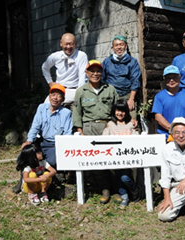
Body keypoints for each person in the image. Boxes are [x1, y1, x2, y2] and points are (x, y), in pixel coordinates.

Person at [73, 59, 121, 204]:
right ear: (87, 73)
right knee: (96, 161)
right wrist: (80, 131)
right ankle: (104, 189)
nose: (95, 74)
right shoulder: (81, 91)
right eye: (92, 71)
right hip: (89, 128)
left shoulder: (110, 89)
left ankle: (116, 190)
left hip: (107, 127)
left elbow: (118, 109)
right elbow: (77, 112)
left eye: (98, 71)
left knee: (113, 158)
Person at [102, 99, 140, 209]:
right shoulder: (111, 124)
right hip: (114, 157)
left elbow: (137, 138)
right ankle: (125, 196)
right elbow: (104, 139)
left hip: (127, 157)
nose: (120, 113)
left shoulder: (130, 124)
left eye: (123, 111)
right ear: (114, 111)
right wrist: (107, 129)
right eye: (118, 110)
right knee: (117, 177)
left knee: (125, 177)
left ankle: (134, 190)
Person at [152, 65, 185, 141]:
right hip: (165, 136)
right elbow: (158, 116)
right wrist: (172, 129)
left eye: (174, 77)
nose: (171, 80)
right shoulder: (159, 96)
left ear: (180, 78)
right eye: (168, 78)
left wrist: (180, 130)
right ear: (164, 79)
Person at [42, 33, 88, 108]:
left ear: (75, 44)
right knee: (45, 106)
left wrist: (80, 94)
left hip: (74, 90)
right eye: (66, 44)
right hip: (59, 89)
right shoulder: (55, 56)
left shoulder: (81, 56)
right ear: (61, 43)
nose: (68, 47)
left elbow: (83, 77)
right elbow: (44, 67)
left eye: (71, 44)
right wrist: (50, 82)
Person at [102, 35, 141, 119]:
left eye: (121, 44)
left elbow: (135, 81)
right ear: (113, 47)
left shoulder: (132, 62)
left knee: (131, 122)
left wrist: (131, 99)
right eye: (116, 45)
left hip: (127, 96)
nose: (119, 47)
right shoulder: (107, 62)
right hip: (111, 97)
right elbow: (102, 79)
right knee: (111, 121)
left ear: (125, 46)